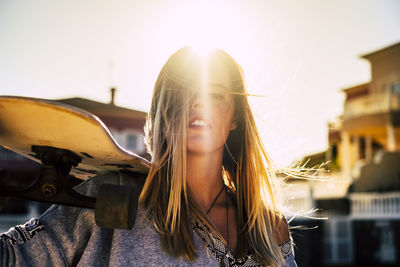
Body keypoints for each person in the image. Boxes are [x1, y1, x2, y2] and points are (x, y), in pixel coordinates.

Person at [0, 47, 297, 266]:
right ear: (164, 112)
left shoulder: (268, 226)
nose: (196, 102)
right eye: (183, 93)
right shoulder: (111, 197)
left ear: (234, 119)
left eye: (215, 94)